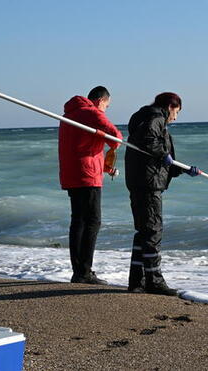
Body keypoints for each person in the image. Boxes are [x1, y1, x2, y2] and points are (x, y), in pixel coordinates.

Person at [124, 92, 200, 296]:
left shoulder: (146, 118)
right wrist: (164, 155)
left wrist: (184, 169)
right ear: (170, 107)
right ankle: (154, 281)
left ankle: (137, 281)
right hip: (149, 183)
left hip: (140, 181)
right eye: (177, 112)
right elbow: (149, 143)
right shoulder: (156, 118)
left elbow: (160, 157)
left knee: (144, 231)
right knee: (153, 231)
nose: (175, 117)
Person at [59, 86, 123, 284]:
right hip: (88, 176)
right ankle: (84, 272)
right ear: (100, 100)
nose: (105, 110)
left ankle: (78, 271)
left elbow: (81, 147)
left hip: (72, 174)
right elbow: (116, 137)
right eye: (107, 106)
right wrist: (104, 137)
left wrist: (105, 166)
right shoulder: (91, 112)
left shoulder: (68, 116)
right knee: (93, 221)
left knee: (78, 220)